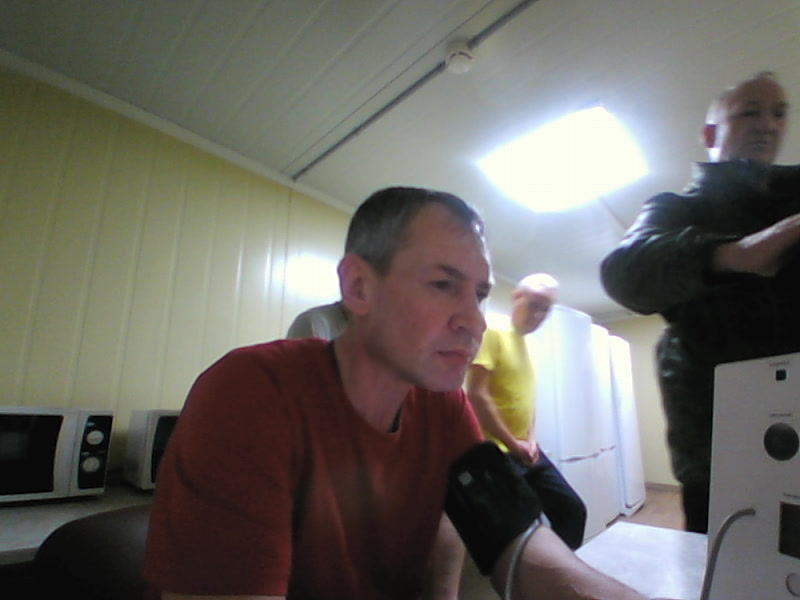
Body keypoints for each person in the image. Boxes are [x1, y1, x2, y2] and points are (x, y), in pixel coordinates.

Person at [143, 186, 661, 600]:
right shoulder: (249, 392)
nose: (475, 321)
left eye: (479, 294)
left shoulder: (444, 406)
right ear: (359, 287)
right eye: (443, 285)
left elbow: (513, 537)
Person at [600, 71, 800, 533]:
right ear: (711, 134)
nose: (767, 124)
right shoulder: (676, 208)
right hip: (714, 454)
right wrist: (735, 254)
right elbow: (623, 271)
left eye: (779, 113)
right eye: (749, 112)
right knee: (721, 557)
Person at [466, 273, 587, 549]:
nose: (538, 315)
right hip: (497, 452)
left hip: (526, 449)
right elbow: (476, 395)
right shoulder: (492, 331)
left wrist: (531, 439)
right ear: (516, 297)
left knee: (572, 511)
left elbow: (527, 398)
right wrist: (514, 444)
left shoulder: (528, 345)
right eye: (534, 305)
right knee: (520, 534)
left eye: (546, 309)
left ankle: (560, 572)